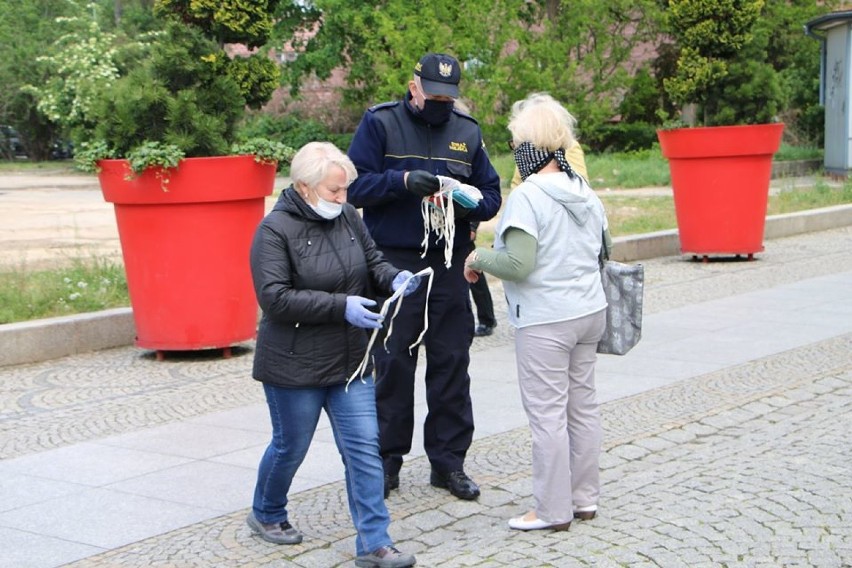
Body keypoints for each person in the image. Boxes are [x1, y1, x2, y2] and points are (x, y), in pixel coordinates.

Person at [247, 142, 418, 568]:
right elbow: (275, 298)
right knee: (291, 446)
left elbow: (372, 261)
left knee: (364, 448)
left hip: (351, 361)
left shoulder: (347, 216)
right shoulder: (273, 230)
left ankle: (375, 543)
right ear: (304, 187)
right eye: (334, 191)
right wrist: (341, 306)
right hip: (294, 363)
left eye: (345, 190)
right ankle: (266, 511)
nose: (343, 199)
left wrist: (393, 277)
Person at [346, 52, 502, 501]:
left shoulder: (466, 131)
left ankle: (448, 463)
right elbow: (354, 188)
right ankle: (387, 463)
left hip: (450, 260)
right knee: (393, 363)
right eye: (434, 94)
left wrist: (472, 200)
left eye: (448, 97)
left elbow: (491, 194)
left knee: (452, 361)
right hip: (395, 262)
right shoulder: (380, 123)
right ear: (414, 86)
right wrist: (400, 182)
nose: (441, 103)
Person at [464, 93, 610, 531]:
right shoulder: (584, 190)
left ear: (531, 148)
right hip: (590, 311)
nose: (514, 151)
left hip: (547, 319)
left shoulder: (529, 195)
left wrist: (476, 258)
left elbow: (518, 264)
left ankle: (551, 510)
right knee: (583, 408)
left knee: (547, 415)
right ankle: (585, 500)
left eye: (516, 143)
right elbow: (604, 250)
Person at [469, 221, 497, 337]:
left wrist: (472, 228)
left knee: (475, 277)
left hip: (460, 233)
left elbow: (475, 202)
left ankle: (487, 320)